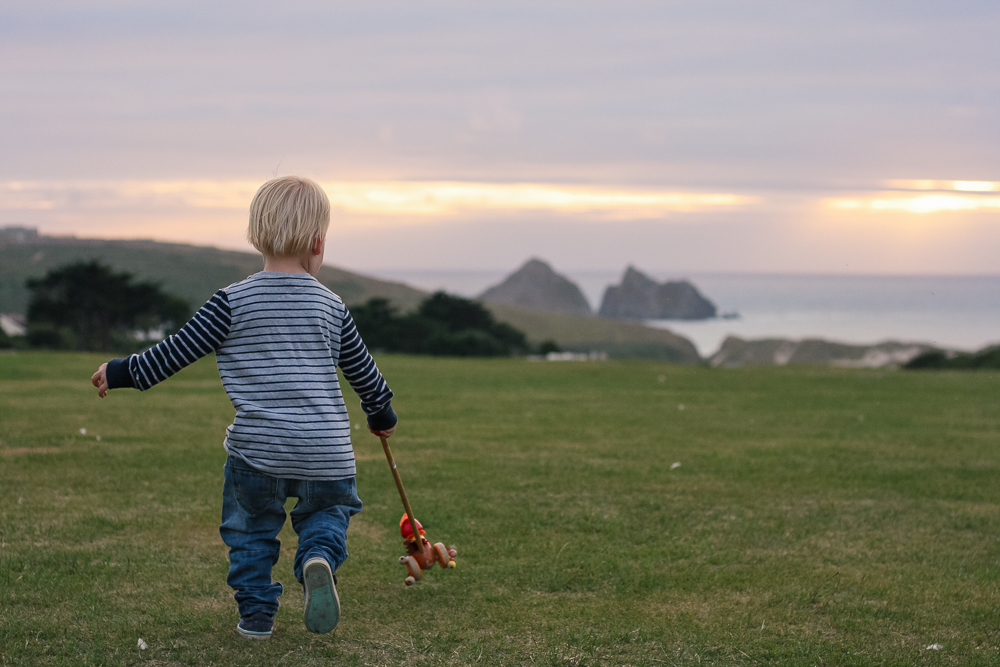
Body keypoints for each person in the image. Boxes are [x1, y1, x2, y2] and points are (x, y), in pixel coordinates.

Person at [90, 176, 397, 640]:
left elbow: (174, 352)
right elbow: (364, 373)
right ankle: (317, 557)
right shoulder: (332, 306)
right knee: (328, 513)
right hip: (326, 452)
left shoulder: (232, 301)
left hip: (259, 450)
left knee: (251, 530)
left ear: (257, 234)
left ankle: (256, 617)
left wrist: (121, 371)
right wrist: (381, 415)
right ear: (318, 242)